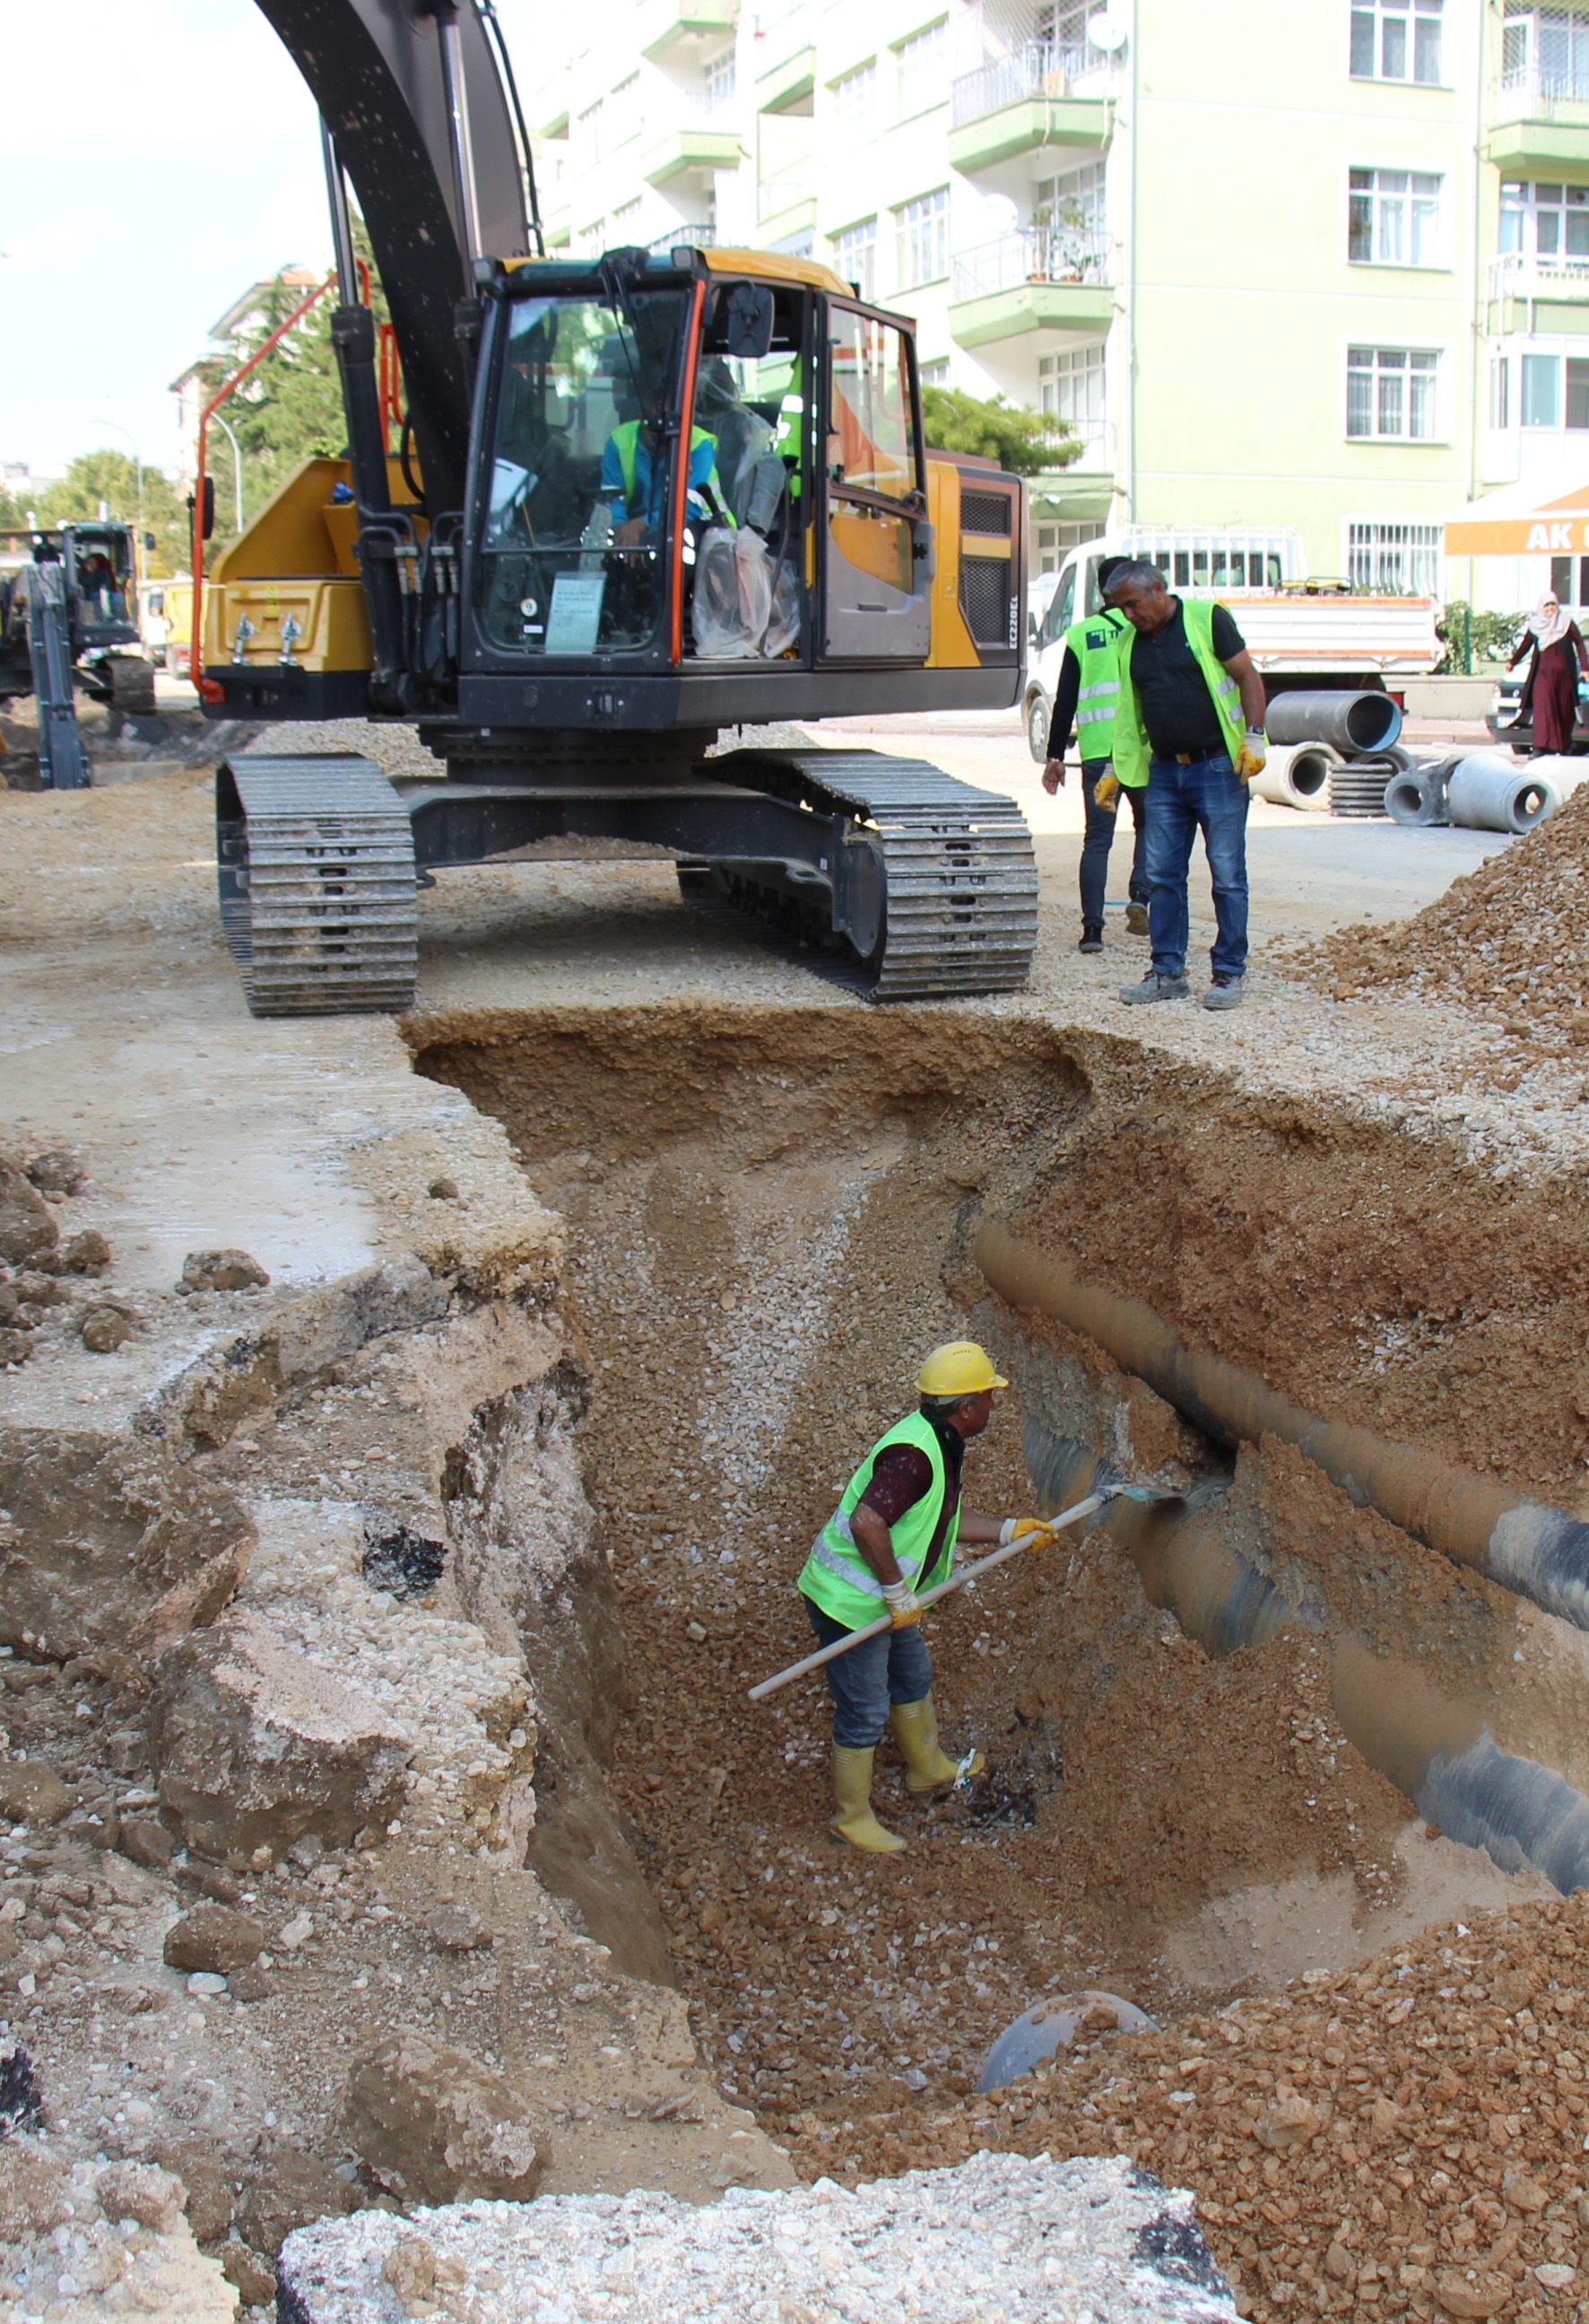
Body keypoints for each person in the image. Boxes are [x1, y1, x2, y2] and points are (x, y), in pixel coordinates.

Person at [796, 1341, 1049, 1854]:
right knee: (864, 1710)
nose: (993, 1404)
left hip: (884, 1602)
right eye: (988, 1396)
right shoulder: (913, 1458)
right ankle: (850, 1818)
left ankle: (927, 1769)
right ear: (966, 1409)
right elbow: (867, 1522)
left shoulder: (940, 1442)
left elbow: (940, 1520)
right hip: (849, 1606)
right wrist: (895, 1591)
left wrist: (1008, 1530)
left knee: (912, 1676)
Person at [1101, 559, 1270, 1012]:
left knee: (1227, 875)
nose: (1129, 615)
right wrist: (1115, 768)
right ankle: (1167, 972)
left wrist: (1254, 736)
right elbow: (1129, 713)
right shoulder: (1128, 641)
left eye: (1133, 604)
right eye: (1121, 609)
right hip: (1164, 771)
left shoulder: (1206, 619)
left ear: (1158, 590)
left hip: (1217, 768)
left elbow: (1247, 676)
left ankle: (1228, 972)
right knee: (1162, 876)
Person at [1041, 554, 1150, 953]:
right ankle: (1141, 895)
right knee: (1150, 827)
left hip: (1097, 753)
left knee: (1097, 840)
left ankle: (1092, 930)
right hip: (1140, 751)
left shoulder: (1081, 634)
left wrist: (1055, 755)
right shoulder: (1144, 626)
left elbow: (1065, 699)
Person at [601, 339, 727, 546]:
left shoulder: (699, 445)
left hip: (708, 532)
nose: (662, 417)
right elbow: (612, 500)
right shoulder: (619, 441)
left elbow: (689, 507)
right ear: (642, 412)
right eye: (655, 408)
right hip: (646, 530)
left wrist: (640, 525)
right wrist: (621, 530)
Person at [1508, 594, 1588, 757]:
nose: (1551, 608)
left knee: (1563, 709)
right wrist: (1513, 662)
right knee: (1542, 709)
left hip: (1564, 677)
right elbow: (1525, 645)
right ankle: (1540, 747)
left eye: (1553, 605)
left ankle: (1563, 746)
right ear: (1541, 607)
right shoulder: (1536, 626)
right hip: (1542, 676)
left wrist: (1585, 668)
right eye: (1547, 605)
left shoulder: (1566, 623)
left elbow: (1579, 643)